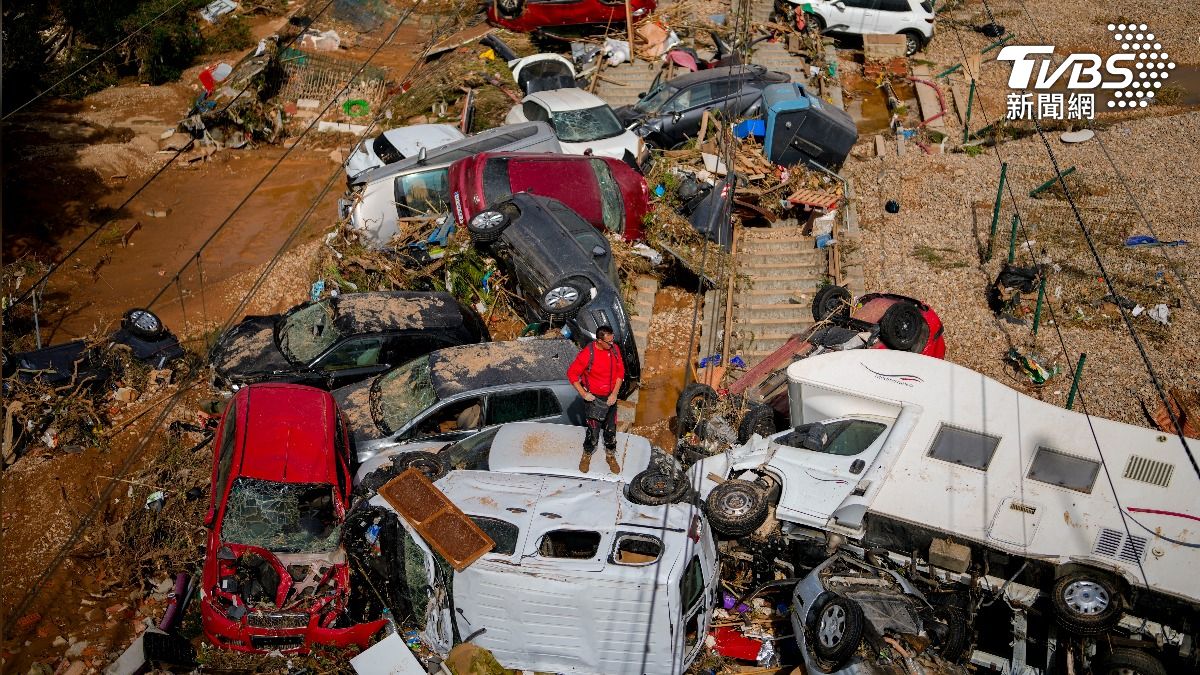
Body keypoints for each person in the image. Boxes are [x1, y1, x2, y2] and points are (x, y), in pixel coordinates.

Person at [566, 325, 625, 473]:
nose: (612, 344)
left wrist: (614, 394)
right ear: (599, 341)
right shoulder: (588, 354)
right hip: (594, 400)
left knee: (611, 430)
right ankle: (587, 454)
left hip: (610, 398)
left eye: (613, 340)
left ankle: (610, 455)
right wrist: (584, 394)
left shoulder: (615, 350)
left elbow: (620, 373)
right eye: (609, 342)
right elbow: (572, 374)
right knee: (593, 431)